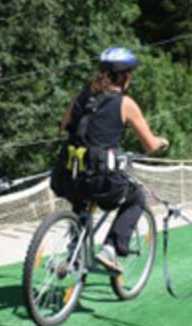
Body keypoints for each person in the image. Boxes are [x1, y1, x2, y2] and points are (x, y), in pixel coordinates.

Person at [50, 46, 168, 273]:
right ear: (125, 77)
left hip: (66, 175)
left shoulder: (81, 96)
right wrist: (162, 142)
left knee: (80, 197)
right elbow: (150, 145)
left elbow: (64, 126)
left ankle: (74, 248)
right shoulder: (126, 104)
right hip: (101, 180)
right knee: (136, 197)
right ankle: (111, 248)